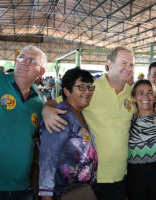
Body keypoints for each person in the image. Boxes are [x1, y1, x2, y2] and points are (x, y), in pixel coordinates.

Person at [41, 46, 135, 200]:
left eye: (131, 65)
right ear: (109, 64)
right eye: (123, 63)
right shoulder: (90, 87)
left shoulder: (131, 93)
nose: (128, 68)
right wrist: (46, 109)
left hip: (120, 174)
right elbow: (58, 101)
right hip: (91, 177)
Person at [0, 45, 46, 199]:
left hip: (21, 187)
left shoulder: (39, 103)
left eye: (32, 60)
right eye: (21, 57)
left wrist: (49, 107)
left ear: (41, 72)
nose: (24, 62)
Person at [38, 68, 98, 200]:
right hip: (64, 193)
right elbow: (48, 159)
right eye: (81, 87)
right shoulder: (61, 116)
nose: (87, 91)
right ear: (66, 91)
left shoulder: (77, 113)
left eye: (90, 87)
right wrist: (46, 197)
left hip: (80, 191)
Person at [127, 80, 156, 200]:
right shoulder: (128, 121)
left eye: (150, 92)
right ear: (134, 98)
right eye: (140, 93)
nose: (145, 96)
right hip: (134, 181)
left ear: (155, 98)